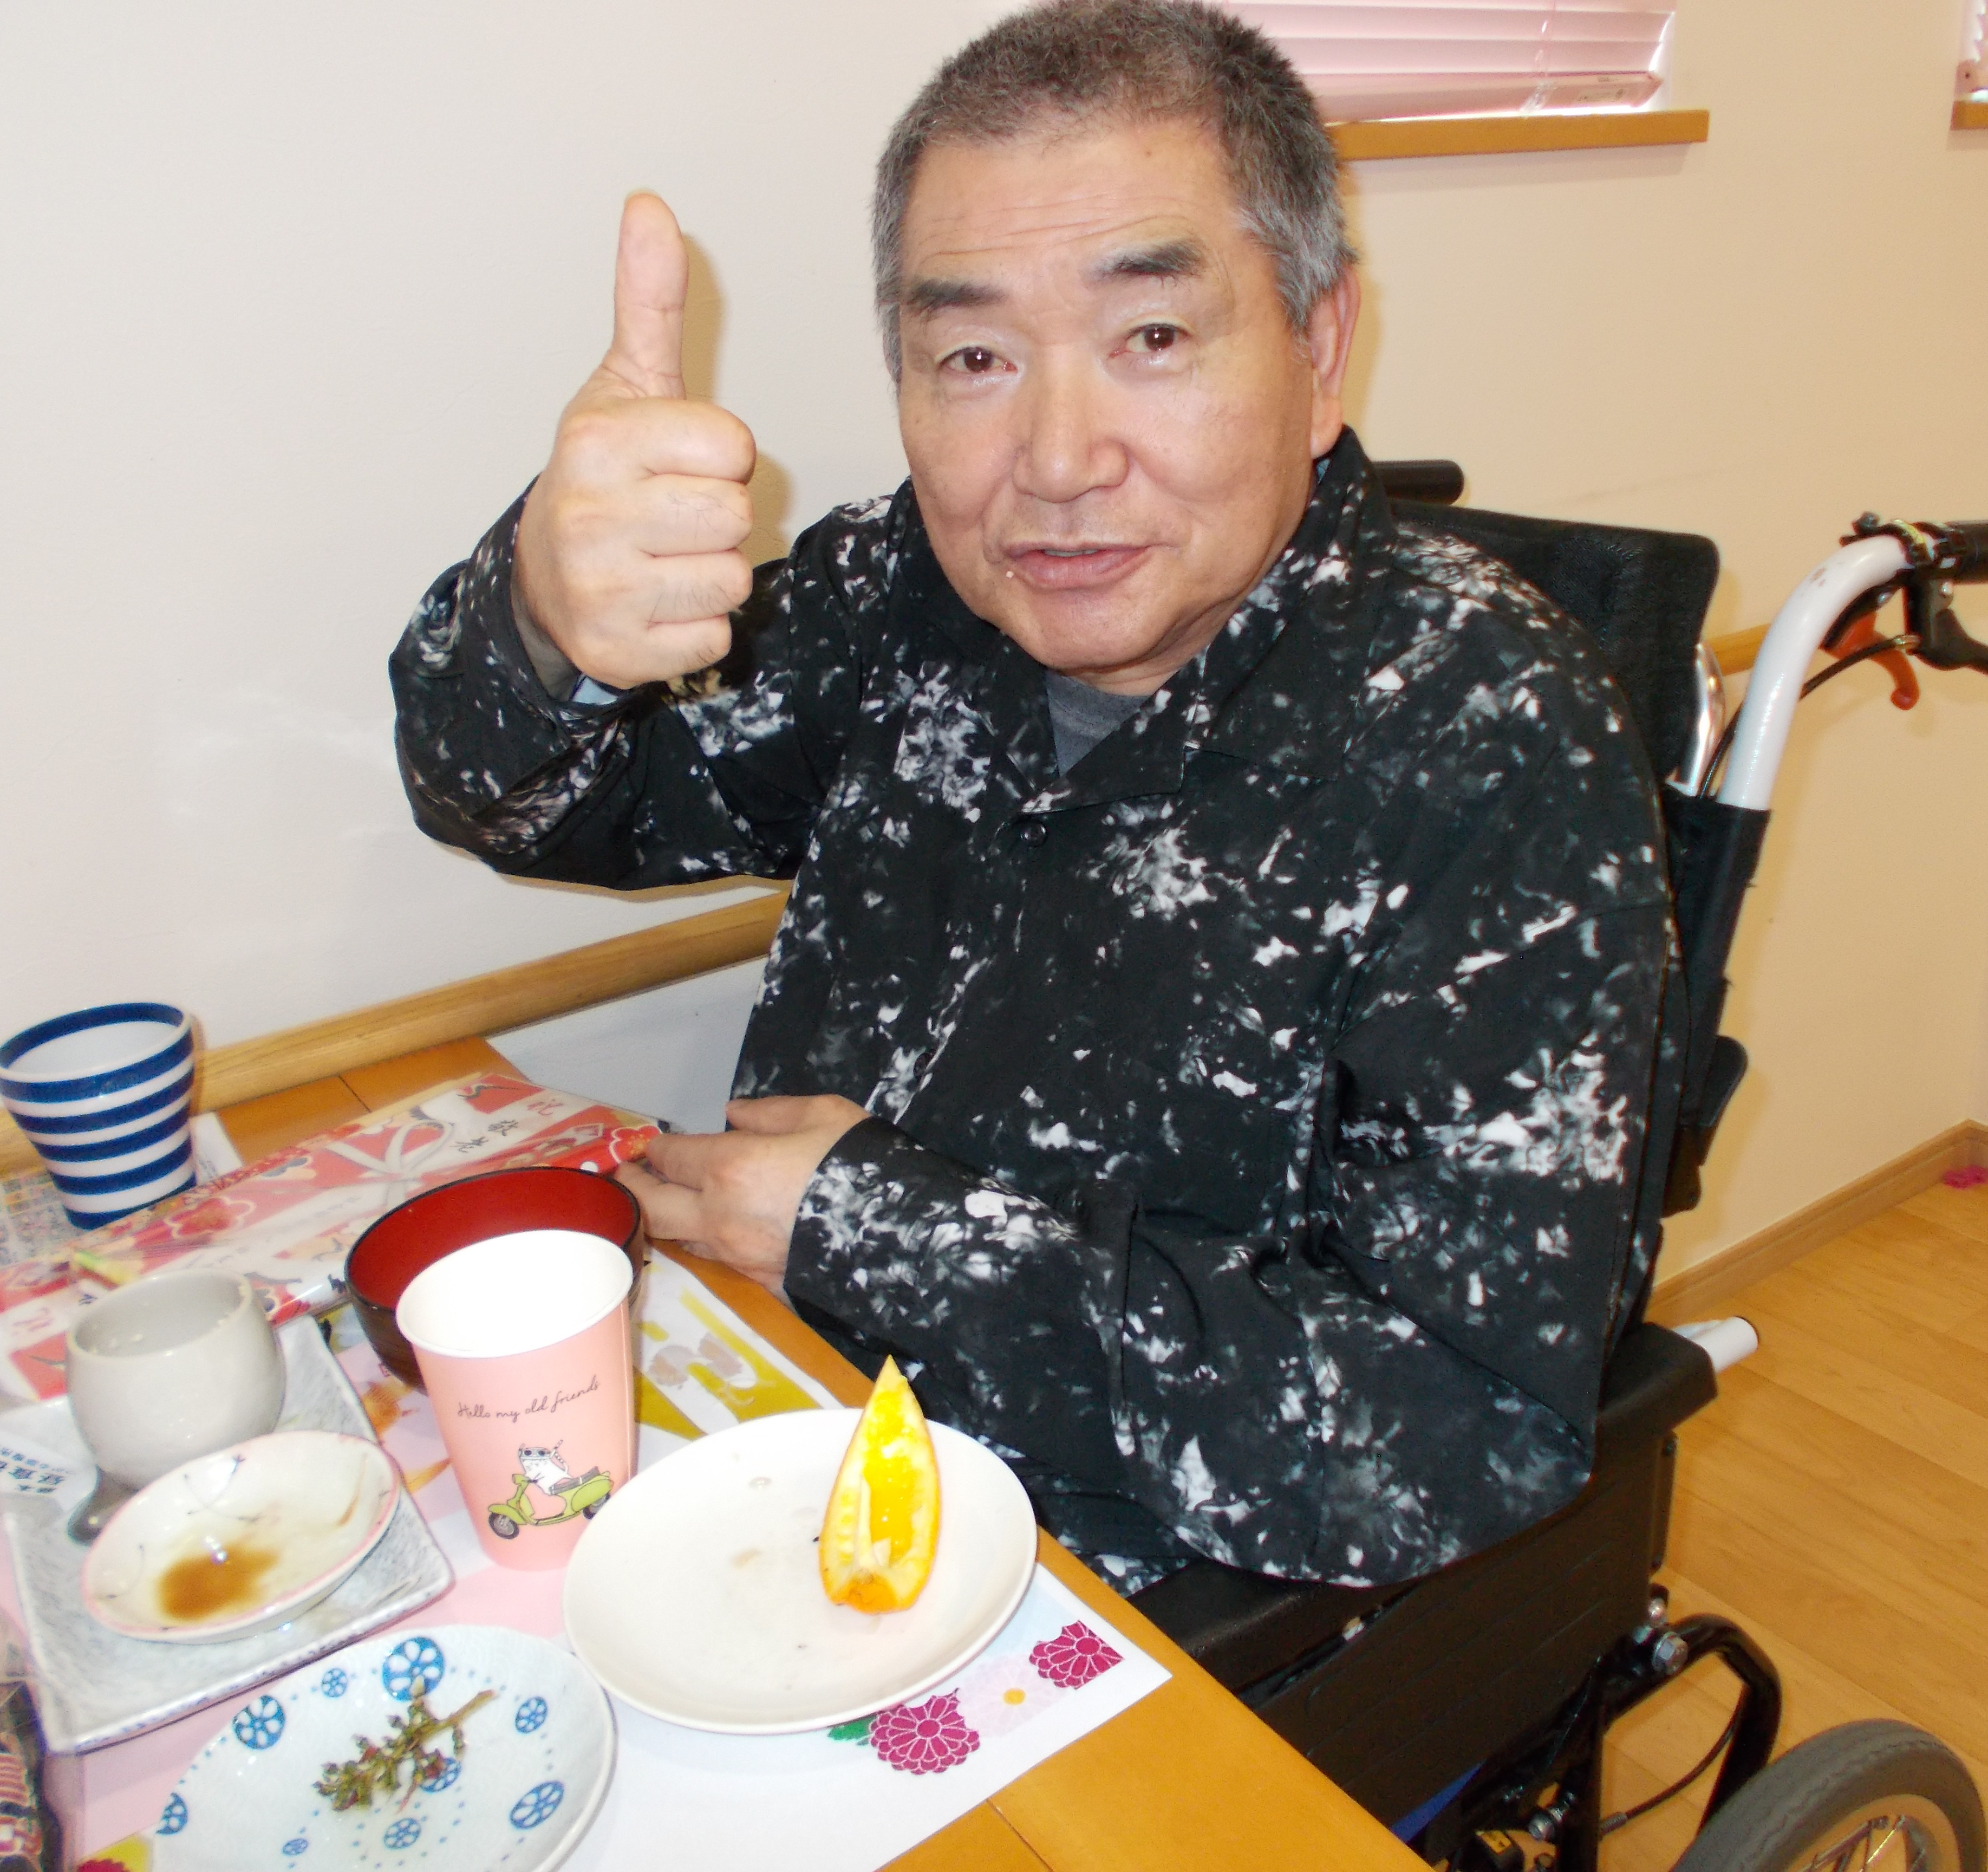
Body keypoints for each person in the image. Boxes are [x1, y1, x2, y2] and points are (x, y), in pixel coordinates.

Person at [393, 0, 1677, 1594]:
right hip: (773, 1434)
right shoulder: (903, 593)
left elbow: (1460, 1424)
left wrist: (886, 1235)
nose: (1059, 461)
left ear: (1319, 347)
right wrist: (541, 616)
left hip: (1122, 1587)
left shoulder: (1488, 735)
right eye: (975, 358)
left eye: (1154, 338)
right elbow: (534, 803)